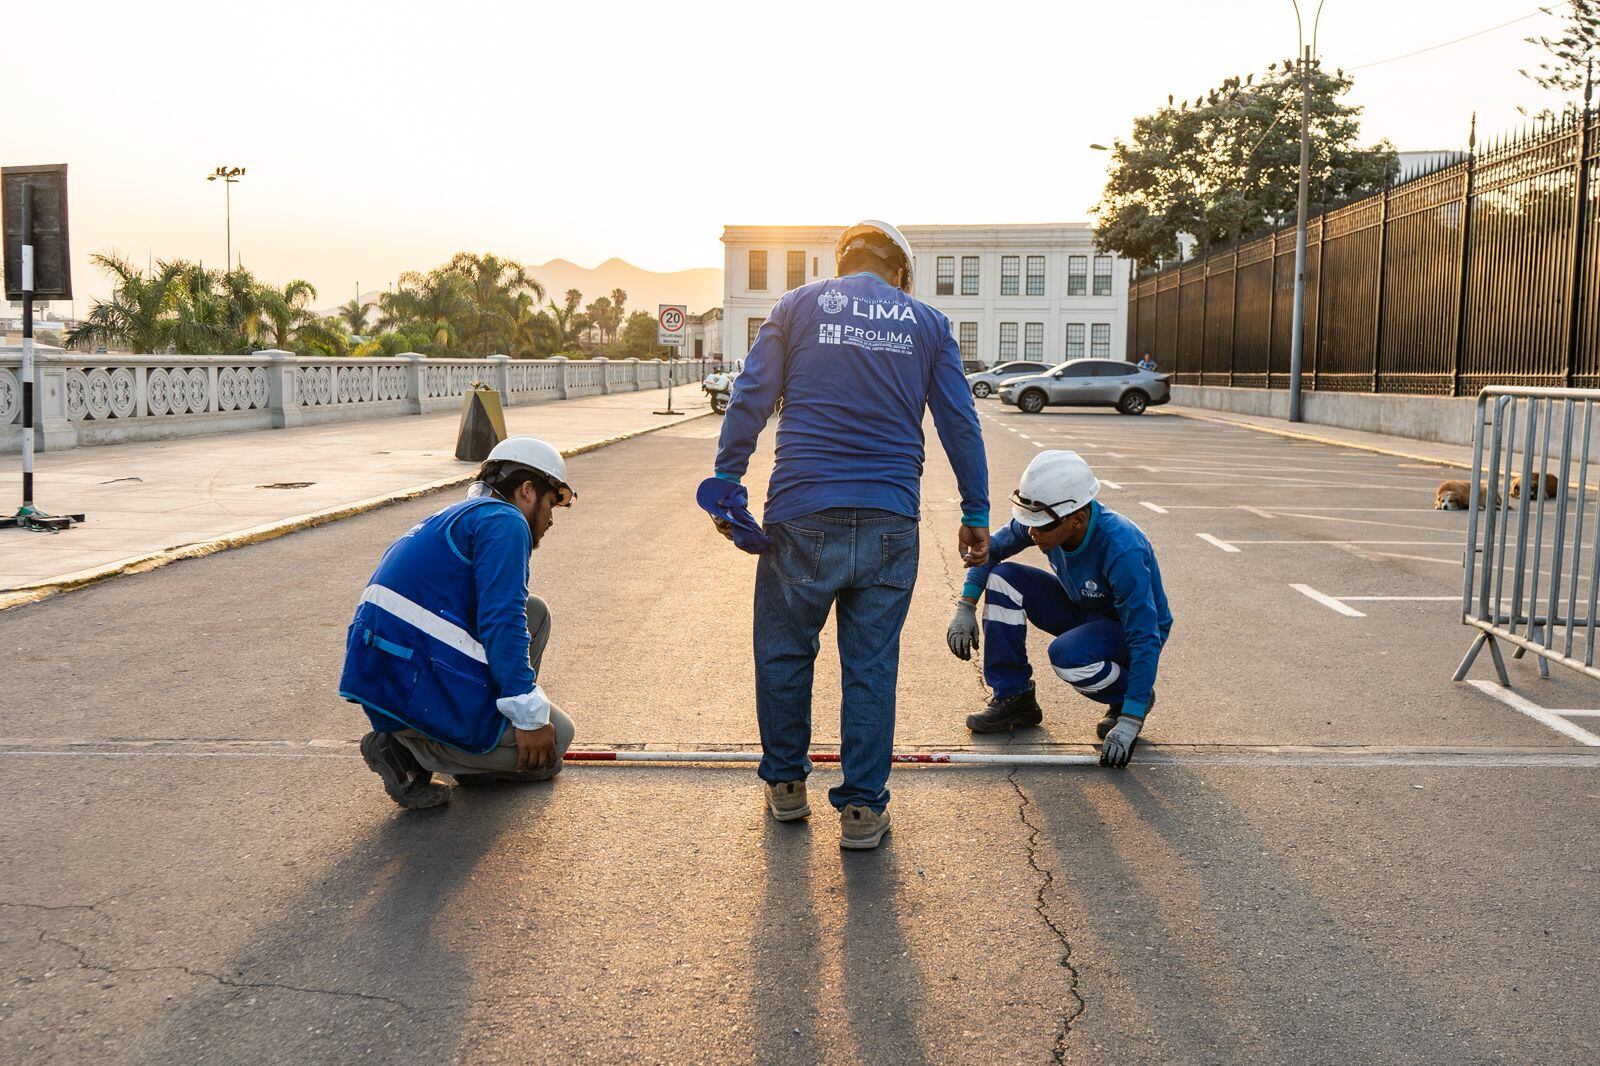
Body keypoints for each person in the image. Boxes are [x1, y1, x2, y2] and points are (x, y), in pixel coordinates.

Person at [708, 219, 990, 849]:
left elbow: (750, 395)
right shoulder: (929, 324)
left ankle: (785, 785)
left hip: (800, 513)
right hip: (891, 518)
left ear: (843, 263)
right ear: (902, 272)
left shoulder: (796, 306)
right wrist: (976, 511)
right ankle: (862, 809)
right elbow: (959, 424)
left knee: (784, 653)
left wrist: (727, 477)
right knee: (870, 666)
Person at [339, 436, 578, 808]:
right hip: (405, 680)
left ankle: (470, 752)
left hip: (388, 669)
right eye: (551, 505)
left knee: (536, 612)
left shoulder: (460, 514)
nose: (549, 520)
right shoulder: (506, 520)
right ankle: (405, 751)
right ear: (528, 491)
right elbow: (502, 620)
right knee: (557, 739)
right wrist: (530, 722)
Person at [946, 450, 1171, 768]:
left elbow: (1144, 635)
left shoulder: (1122, 549)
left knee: (1067, 656)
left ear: (1077, 519)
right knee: (1002, 580)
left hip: (1126, 627)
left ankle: (1128, 696)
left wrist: (1131, 721)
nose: (1032, 532)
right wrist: (965, 606)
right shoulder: (1048, 516)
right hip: (1082, 605)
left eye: (1040, 527)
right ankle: (1014, 697)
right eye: (1029, 523)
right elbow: (991, 549)